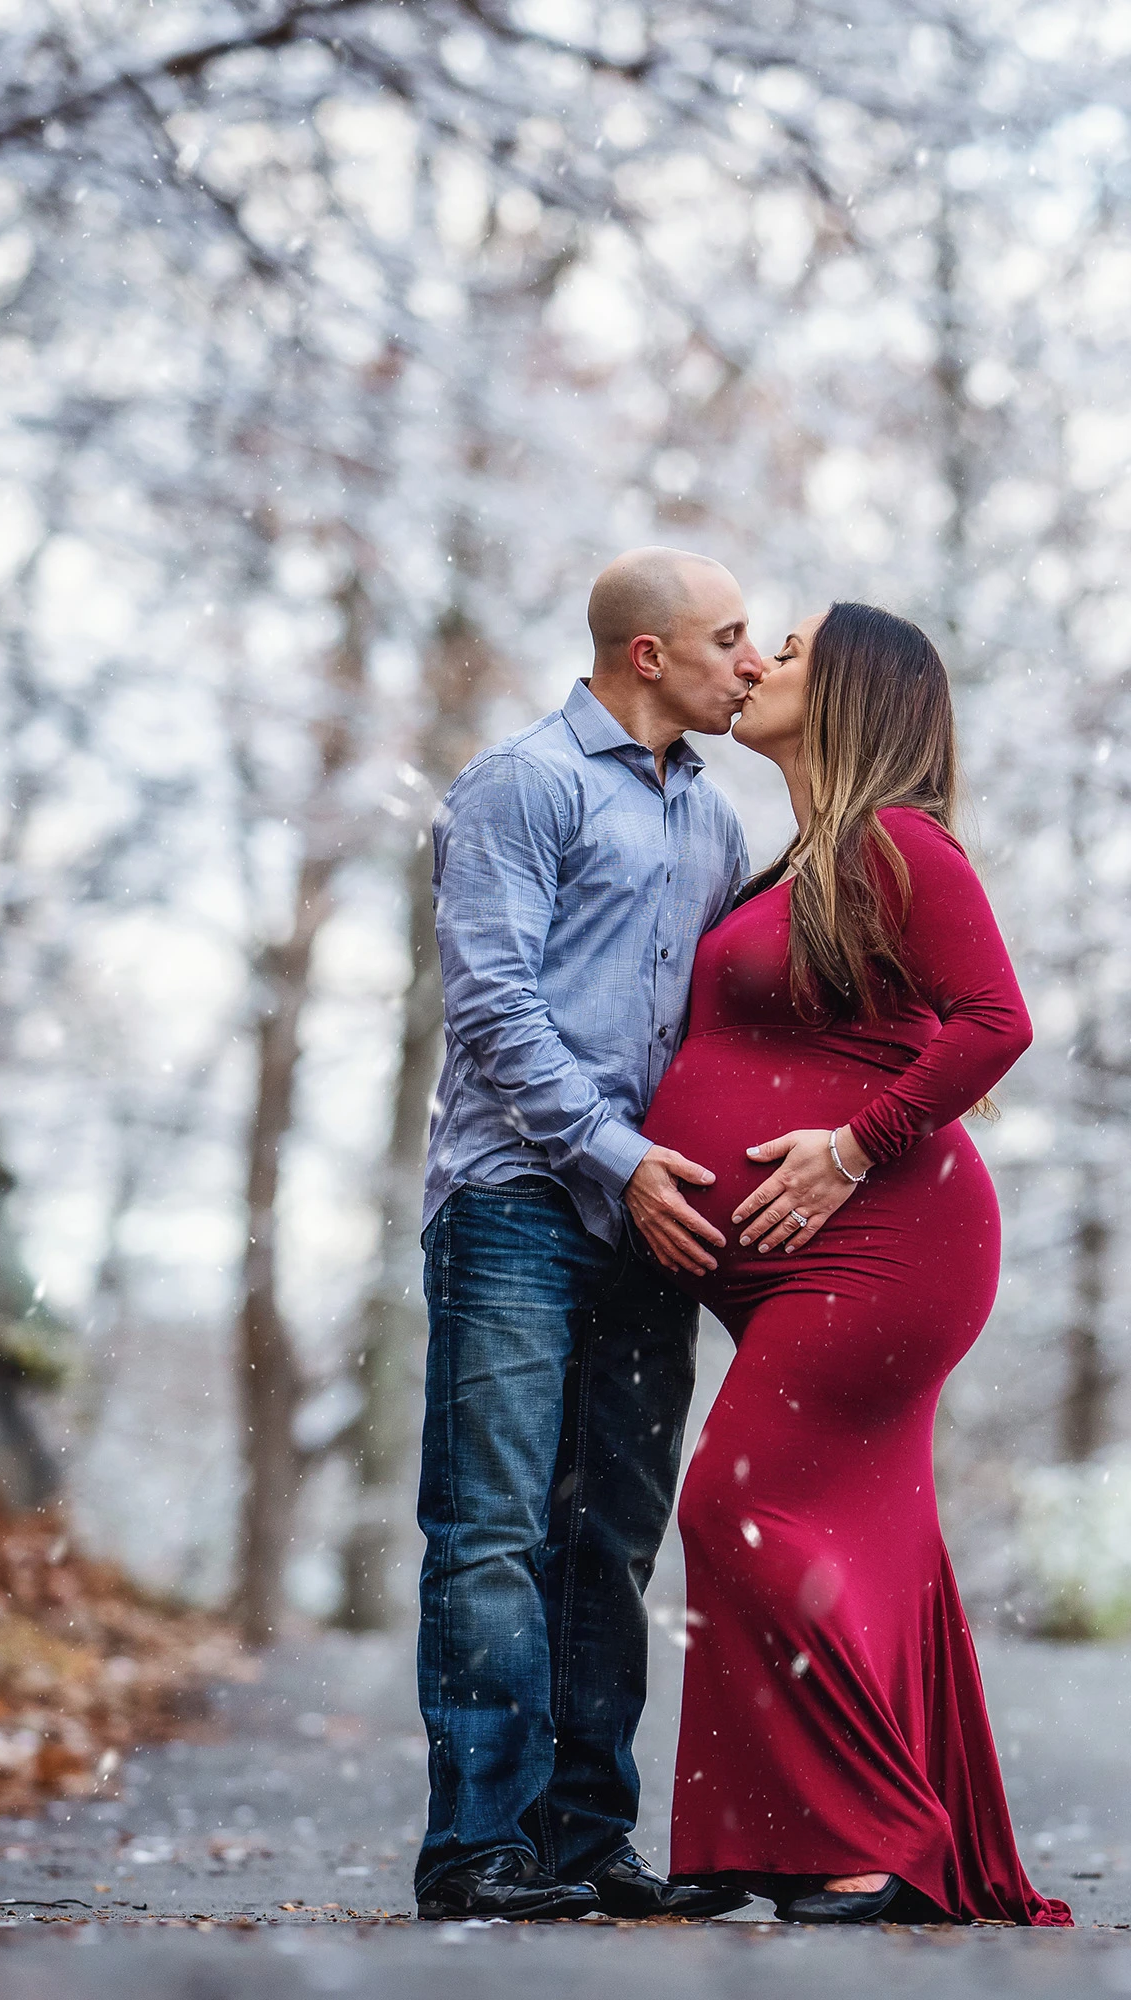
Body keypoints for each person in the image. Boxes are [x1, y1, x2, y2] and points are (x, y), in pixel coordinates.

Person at [640, 602, 1072, 1927]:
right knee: (859, 1540)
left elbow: (998, 1023)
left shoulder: (897, 843)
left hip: (887, 1242)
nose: (757, 662)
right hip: (808, 1257)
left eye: (793, 649)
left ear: (856, 696)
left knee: (736, 1505)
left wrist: (850, 1147)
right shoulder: (801, 862)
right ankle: (765, 1841)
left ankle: (878, 1838)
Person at [410, 547, 769, 1923]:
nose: (750, 661)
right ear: (647, 654)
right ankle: (478, 1854)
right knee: (492, 1529)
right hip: (515, 1204)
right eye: (729, 638)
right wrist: (614, 1161)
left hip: (649, 1222)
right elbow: (495, 1011)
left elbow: (711, 1035)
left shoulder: (717, 822)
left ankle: (583, 1844)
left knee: (610, 1534)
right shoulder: (523, 784)